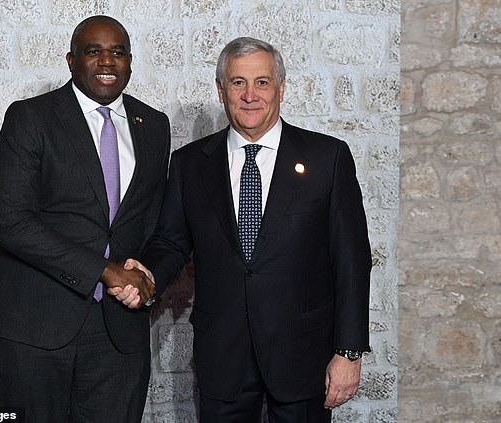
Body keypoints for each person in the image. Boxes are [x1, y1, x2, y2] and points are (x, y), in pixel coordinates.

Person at [113, 37, 371, 422]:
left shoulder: (327, 158)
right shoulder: (190, 165)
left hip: (303, 358)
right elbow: (171, 241)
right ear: (221, 90)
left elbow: (351, 260)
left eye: (262, 82)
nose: (251, 95)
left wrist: (348, 352)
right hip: (224, 359)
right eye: (238, 83)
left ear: (281, 88)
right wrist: (147, 274)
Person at [0, 15, 170, 423]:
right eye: (93, 51)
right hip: (34, 324)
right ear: (70, 60)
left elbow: (151, 223)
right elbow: (13, 223)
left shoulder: (153, 125)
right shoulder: (31, 117)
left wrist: (145, 282)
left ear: (130, 62)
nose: (107, 61)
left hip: (119, 332)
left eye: (117, 52)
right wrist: (106, 271)